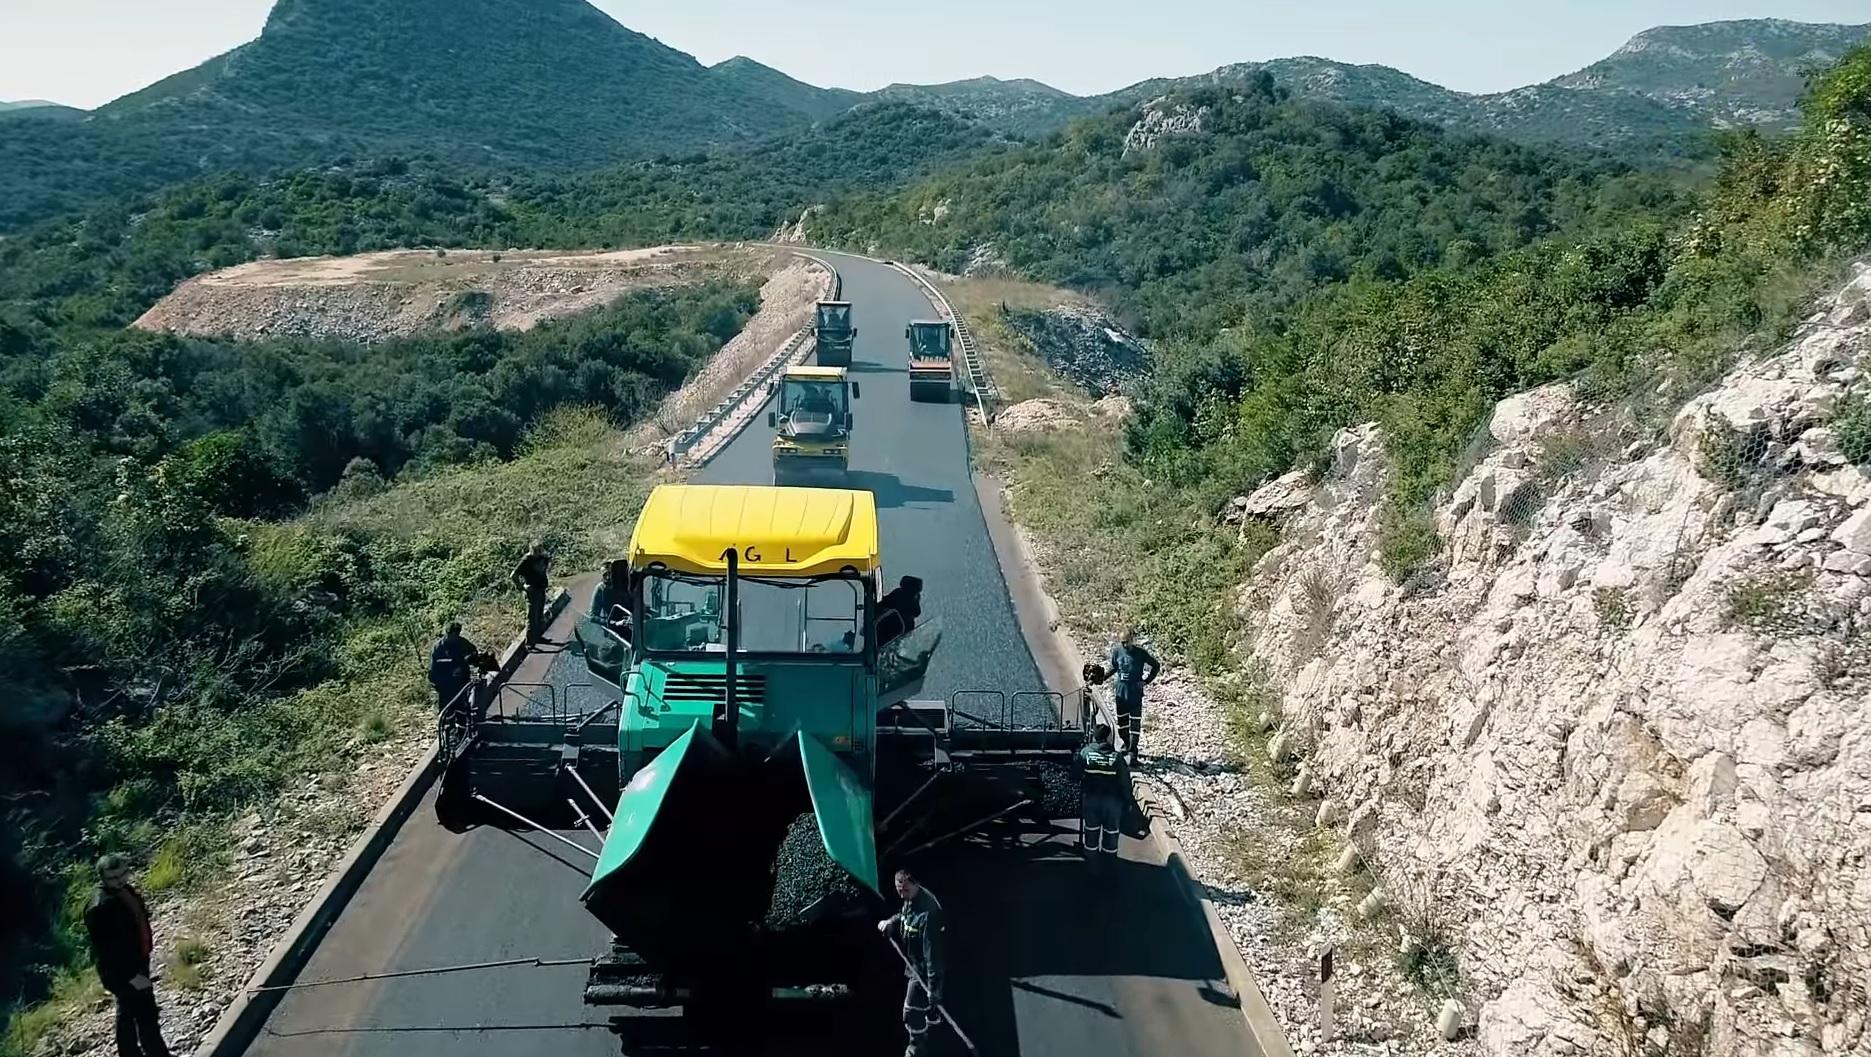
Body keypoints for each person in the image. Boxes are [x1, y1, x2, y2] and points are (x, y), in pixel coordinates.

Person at [85, 855, 173, 1057]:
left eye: (123, 874)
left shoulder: (123, 892)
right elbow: (107, 952)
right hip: (124, 972)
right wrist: (133, 976)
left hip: (136, 962)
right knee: (145, 1013)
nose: (120, 879)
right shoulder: (100, 907)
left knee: (127, 1012)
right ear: (102, 878)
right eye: (113, 877)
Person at [878, 868, 945, 1057]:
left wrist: (933, 987)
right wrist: (891, 922)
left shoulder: (928, 915)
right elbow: (904, 916)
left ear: (916, 884)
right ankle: (932, 1018)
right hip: (914, 963)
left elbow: (933, 956)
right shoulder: (910, 899)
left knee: (910, 1013)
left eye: (905, 890)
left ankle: (916, 1048)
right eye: (899, 890)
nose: (901, 894)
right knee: (929, 1009)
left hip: (923, 971)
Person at [1078, 723, 1130, 866]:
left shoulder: (1086, 753)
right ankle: (1109, 865)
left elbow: (1074, 775)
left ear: (1095, 737)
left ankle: (1091, 865)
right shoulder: (1117, 758)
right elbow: (1125, 783)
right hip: (1112, 804)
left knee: (1091, 832)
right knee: (1111, 833)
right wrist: (1128, 802)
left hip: (1091, 802)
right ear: (1108, 738)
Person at [1108, 628, 1161, 765]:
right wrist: (1102, 677)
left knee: (1135, 724)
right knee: (1122, 724)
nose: (1124, 645)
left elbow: (1156, 666)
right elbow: (1114, 667)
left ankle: (1133, 750)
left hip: (1135, 693)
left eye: (1126, 642)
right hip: (1121, 692)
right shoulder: (1117, 652)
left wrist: (1145, 681)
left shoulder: (1140, 653)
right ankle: (1126, 745)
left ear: (1132, 640)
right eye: (1122, 643)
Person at [427, 622, 480, 713]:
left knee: (462, 710)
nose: (455, 637)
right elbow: (432, 669)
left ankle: (462, 725)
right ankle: (447, 725)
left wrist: (469, 661)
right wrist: (436, 685)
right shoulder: (438, 647)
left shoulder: (463, 644)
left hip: (460, 684)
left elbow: (474, 656)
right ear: (447, 633)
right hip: (444, 685)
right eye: (452, 634)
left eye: (457, 633)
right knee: (446, 711)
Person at [512, 541, 552, 645]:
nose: (537, 553)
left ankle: (538, 637)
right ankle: (529, 642)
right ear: (531, 550)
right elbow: (513, 575)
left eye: (539, 550)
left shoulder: (543, 557)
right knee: (531, 617)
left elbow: (544, 569)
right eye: (535, 551)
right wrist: (522, 586)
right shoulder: (527, 560)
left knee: (539, 615)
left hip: (541, 589)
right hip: (532, 591)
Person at [877, 575, 924, 647]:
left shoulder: (905, 595)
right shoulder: (899, 593)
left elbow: (917, 612)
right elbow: (884, 602)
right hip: (893, 628)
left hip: (897, 629)